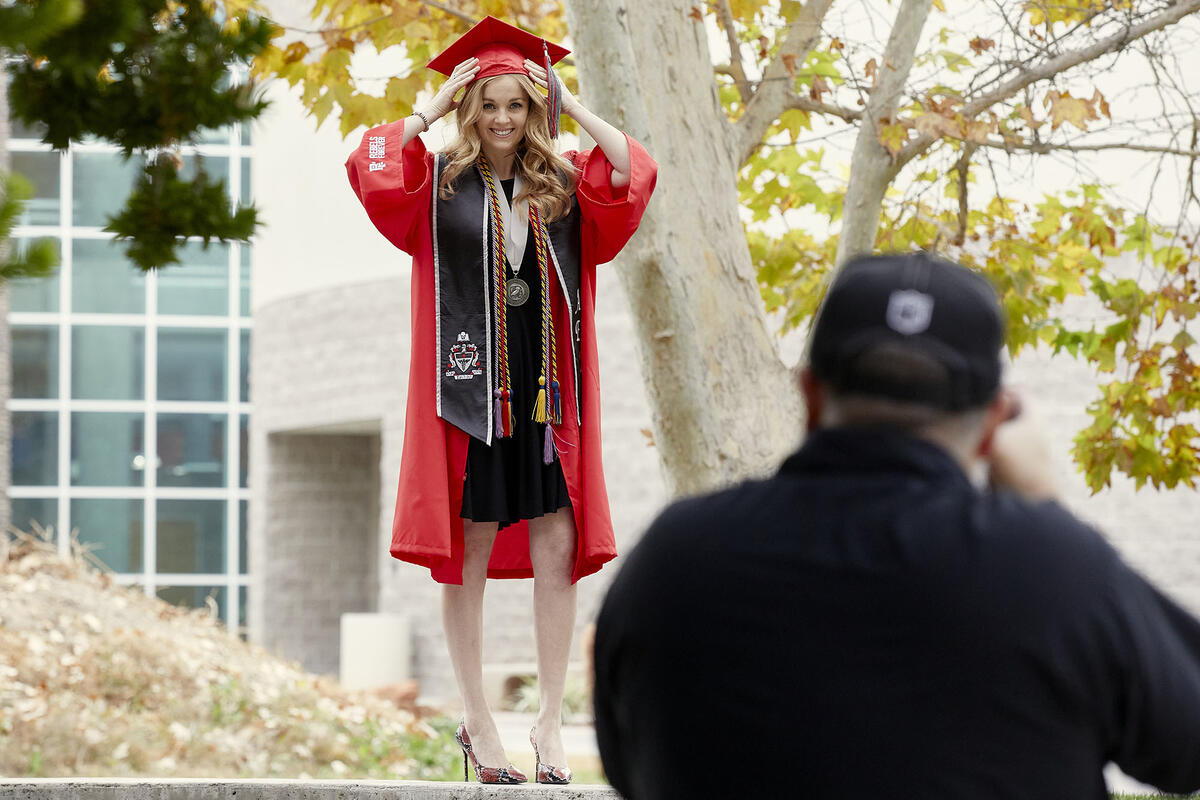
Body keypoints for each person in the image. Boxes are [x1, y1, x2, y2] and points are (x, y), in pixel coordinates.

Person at [592, 252, 1200, 799]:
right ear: (993, 424)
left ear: (808, 396)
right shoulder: (1056, 570)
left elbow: (627, 764)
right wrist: (1044, 511)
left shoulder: (675, 560)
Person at [345, 16, 656, 786]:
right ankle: (476, 717)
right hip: (470, 392)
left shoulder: (567, 184)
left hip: (549, 393)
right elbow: (369, 164)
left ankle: (550, 719)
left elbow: (637, 170)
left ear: (533, 109)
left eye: (517, 104)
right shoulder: (437, 186)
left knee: (556, 543)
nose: (503, 119)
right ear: (469, 110)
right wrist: (428, 106)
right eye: (488, 104)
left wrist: (571, 104)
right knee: (471, 549)